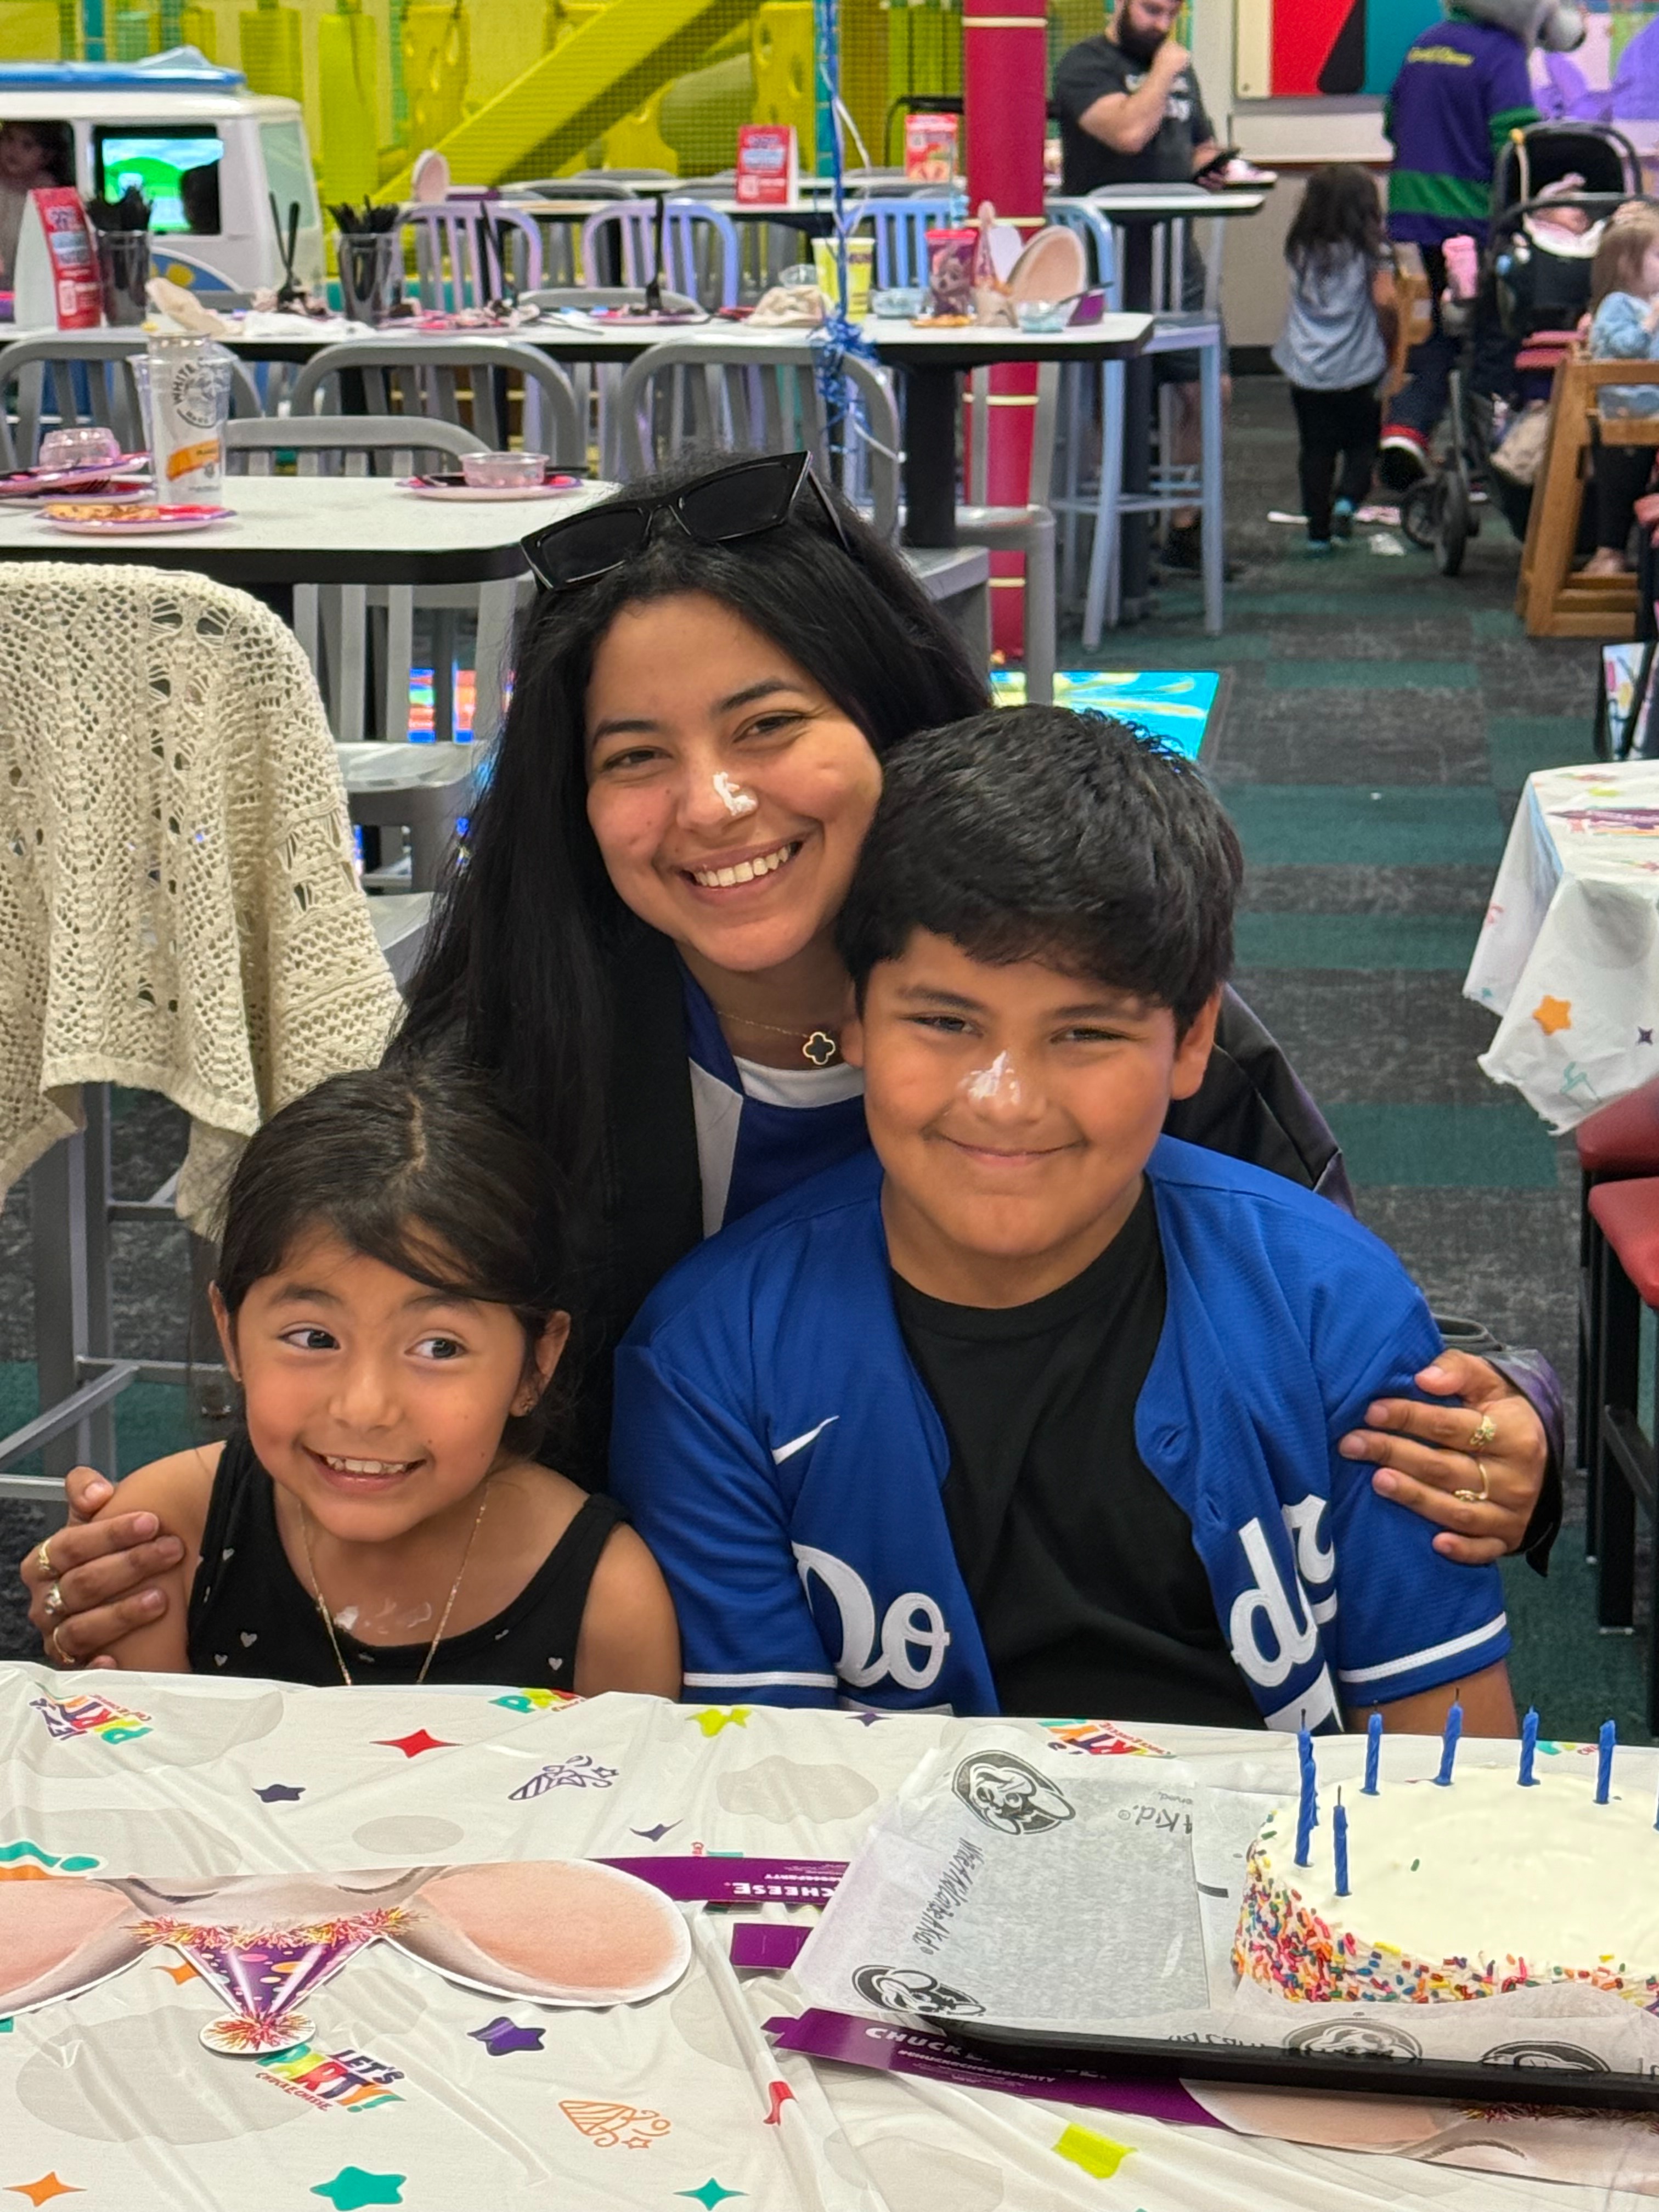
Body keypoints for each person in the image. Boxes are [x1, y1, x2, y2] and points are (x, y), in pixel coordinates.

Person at [22, 453, 1558, 1664]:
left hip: (1106, 1646)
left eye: (767, 726)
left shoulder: (1111, 1013)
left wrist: (1511, 1406)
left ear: (890, 723)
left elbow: (1327, 1309)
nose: (713, 805)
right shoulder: (514, 1060)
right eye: (636, 757)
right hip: (682, 1666)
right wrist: (178, 1546)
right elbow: (381, 1360)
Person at [611, 707, 1517, 1735]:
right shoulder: (709, 1362)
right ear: (854, 1017)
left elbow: (1451, 1766)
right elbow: (761, 1786)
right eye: (944, 1022)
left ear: (1191, 1042)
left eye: (1083, 1033)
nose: (1004, 1100)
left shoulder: (1329, 1307)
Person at [48, 1059, 679, 1693]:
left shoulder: (607, 1600)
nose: (365, 1408)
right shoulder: (166, 1536)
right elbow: (131, 1755)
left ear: (536, 1363)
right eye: (314, 1338)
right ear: (231, 1334)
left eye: (439, 1347)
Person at [1051, 0, 1234, 575]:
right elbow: (1129, 132)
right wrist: (1162, 72)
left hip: (1175, 255)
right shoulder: (1086, 65)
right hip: (1103, 260)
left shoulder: (1177, 68)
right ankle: (1114, 537)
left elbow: (1200, 141)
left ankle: (1184, 527)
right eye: (1152, 10)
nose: (1161, 24)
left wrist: (1212, 165)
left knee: (1210, 390)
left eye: (1171, 13)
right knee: (1109, 399)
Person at [1378, 0, 1585, 483]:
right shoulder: (1502, 54)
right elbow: (1515, 149)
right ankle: (1485, 444)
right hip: (1470, 219)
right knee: (1496, 333)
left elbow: (1392, 121)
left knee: (1447, 328)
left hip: (1414, 214)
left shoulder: (1425, 44)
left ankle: (1408, 425)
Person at [1274, 166, 1396, 552]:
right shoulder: (1373, 253)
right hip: (1358, 365)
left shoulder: (1299, 247)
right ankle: (1347, 500)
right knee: (1363, 443)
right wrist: (1393, 342)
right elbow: (1385, 302)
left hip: (1306, 366)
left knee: (1315, 448)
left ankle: (1318, 532)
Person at [1581, 208, 1659, 579]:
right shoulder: (1618, 305)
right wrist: (1651, 321)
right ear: (1627, 265)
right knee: (1622, 481)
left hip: (1649, 408)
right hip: (1628, 411)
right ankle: (1608, 553)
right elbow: (1627, 348)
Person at [0, 119, 72, 286]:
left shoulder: (49, 193)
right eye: (9, 139)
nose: (14, 150)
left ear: (47, 157)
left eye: (27, 145)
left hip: (32, 280)